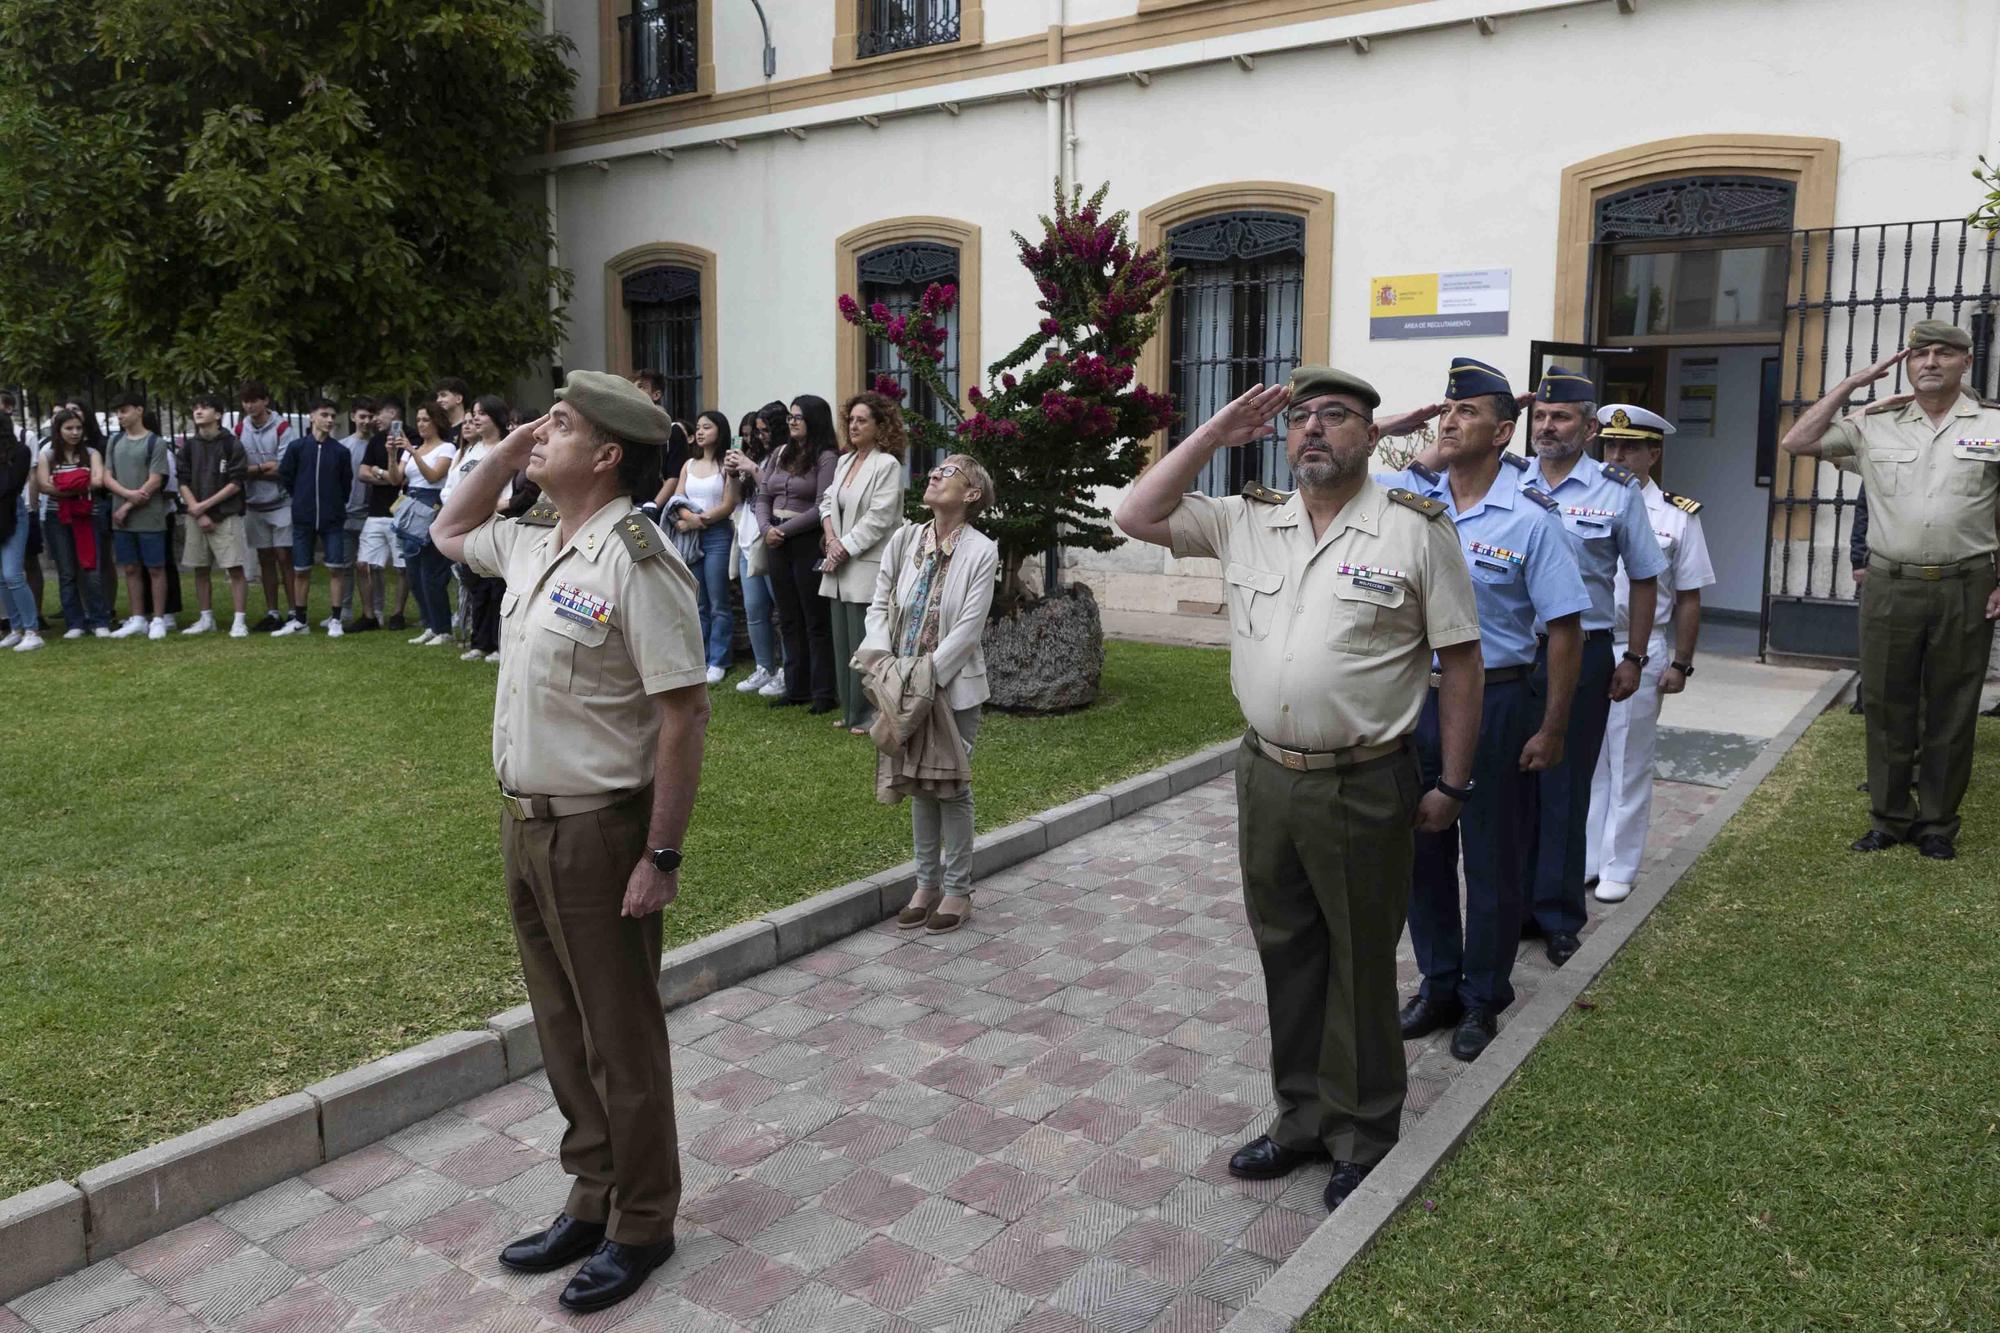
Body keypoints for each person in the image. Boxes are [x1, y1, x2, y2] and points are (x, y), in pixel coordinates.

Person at [1114, 366, 1483, 1212]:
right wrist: (1214, 434)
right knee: (1287, 952)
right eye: (1302, 418)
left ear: (1372, 434)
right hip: (1266, 774)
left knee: (1358, 959)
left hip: (1363, 780)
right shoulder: (1250, 519)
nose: (1314, 429)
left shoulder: (1414, 529)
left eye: (1338, 416)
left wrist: (1453, 783)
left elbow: (1462, 663)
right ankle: (1302, 1118)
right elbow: (1135, 514)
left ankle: (1363, 1131)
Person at [431, 370, 707, 1315]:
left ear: (607, 455)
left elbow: (683, 713)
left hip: (601, 831)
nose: (534, 433)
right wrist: (504, 455)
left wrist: (660, 855)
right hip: (527, 825)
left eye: (557, 425)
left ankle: (643, 1222)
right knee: (562, 1026)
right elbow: (447, 530)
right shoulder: (537, 543)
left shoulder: (639, 558)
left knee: (619, 1038)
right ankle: (592, 1196)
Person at [1377, 359, 1588, 1061]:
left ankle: (1481, 996)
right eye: (1447, 409)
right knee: (1420, 849)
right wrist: (1411, 429)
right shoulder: (1412, 501)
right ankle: (1437, 982)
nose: (1450, 419)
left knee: (1492, 856)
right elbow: (1343, 477)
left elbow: (1562, 629)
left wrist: (1553, 725)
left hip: (1499, 698)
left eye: (1466, 412)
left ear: (1502, 431)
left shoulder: (1532, 520)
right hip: (1420, 700)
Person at [1780, 319, 2000, 860]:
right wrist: (1850, 386)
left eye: (1944, 354)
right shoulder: (1873, 425)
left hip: (1966, 583)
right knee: (1885, 701)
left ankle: (1936, 825)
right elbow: (1797, 441)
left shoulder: (1993, 425)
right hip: (1890, 585)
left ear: (1964, 362)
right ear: (1906, 363)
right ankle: (1889, 817)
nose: (1930, 362)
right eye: (1920, 353)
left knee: (1953, 706)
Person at [1517, 367, 1665, 965]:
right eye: (1541, 417)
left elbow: (1647, 577)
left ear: (1588, 425)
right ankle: (1514, 902)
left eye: (1561, 417)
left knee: (1567, 785)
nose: (1548, 427)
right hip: (1507, 654)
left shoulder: (1615, 489)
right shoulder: (1505, 479)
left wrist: (1634, 657)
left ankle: (1556, 914)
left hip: (1583, 651)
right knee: (1506, 786)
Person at [1582, 405, 1715, 903]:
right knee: (1587, 760)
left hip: (1640, 648)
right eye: (1611, 446)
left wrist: (1681, 662)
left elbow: (1689, 595)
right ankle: (1588, 857)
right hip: (1586, 644)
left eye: (1631, 447)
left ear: (1654, 452)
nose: (1617, 455)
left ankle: (1620, 863)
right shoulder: (1583, 500)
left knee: (1629, 760)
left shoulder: (1676, 516)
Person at [861, 454, 998, 932]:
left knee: (951, 786)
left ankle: (957, 890)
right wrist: (884, 661)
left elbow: (967, 629)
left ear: (972, 494)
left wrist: (924, 679)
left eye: (949, 473)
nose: (935, 475)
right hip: (899, 679)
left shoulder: (982, 550)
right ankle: (926, 884)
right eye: (935, 470)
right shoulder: (904, 538)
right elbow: (879, 602)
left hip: (950, 687)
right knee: (918, 784)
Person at [822, 391, 909, 733]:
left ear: (879, 426)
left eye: (862, 420)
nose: (854, 426)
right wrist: (831, 540)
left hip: (866, 562)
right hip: (839, 562)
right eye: (851, 420)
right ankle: (849, 711)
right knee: (842, 639)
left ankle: (871, 712)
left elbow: (881, 517)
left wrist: (843, 547)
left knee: (866, 641)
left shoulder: (887, 464)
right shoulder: (844, 462)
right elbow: (827, 502)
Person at [758, 395, 840, 712]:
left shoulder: (826, 457)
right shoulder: (780, 453)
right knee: (787, 616)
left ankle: (822, 692)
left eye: (799, 417)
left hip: (805, 539)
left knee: (813, 618)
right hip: (775, 539)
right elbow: (763, 495)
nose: (791, 422)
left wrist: (784, 531)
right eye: (791, 417)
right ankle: (795, 688)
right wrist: (767, 528)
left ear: (814, 421)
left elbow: (822, 504)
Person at [667, 410, 739, 683]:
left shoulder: (726, 465)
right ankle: (702, 657)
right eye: (697, 427)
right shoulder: (688, 464)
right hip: (690, 535)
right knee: (697, 601)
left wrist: (699, 521)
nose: (699, 432)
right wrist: (688, 519)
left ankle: (720, 659)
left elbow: (729, 503)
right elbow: (678, 497)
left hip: (717, 534)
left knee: (719, 600)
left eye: (706, 427)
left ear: (719, 431)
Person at [274, 399, 355, 636]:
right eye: (324, 415)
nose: (329, 420)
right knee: (300, 569)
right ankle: (300, 620)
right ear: (312, 416)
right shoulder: (297, 448)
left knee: (336, 568)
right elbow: (287, 477)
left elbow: (345, 484)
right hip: (303, 518)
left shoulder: (340, 452)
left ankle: (336, 619)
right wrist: (301, 499)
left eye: (332, 416)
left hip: (332, 519)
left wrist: (335, 505)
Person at [175, 392, 252, 637]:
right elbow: (183, 480)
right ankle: (205, 617)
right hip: (197, 516)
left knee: (235, 568)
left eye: (205, 408)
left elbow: (236, 482)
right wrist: (196, 511)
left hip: (226, 515)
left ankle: (239, 620)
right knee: (200, 567)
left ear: (218, 414)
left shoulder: (231, 444)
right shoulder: (188, 446)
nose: (198, 411)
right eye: (196, 407)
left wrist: (204, 506)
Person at [445, 395, 515, 662]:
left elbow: (508, 491)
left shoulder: (505, 449)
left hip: (494, 524)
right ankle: (479, 642)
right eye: (473, 413)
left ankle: (498, 645)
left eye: (482, 413)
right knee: (476, 588)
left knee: (496, 587)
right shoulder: (471, 450)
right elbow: (453, 487)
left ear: (496, 417)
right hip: (467, 527)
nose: (475, 417)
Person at [37, 408, 112, 637]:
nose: (75, 432)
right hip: (57, 517)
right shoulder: (48, 455)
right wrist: (79, 482)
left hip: (88, 514)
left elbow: (98, 482)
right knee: (67, 571)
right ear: (58, 431)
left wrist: (62, 484)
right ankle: (75, 623)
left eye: (78, 428)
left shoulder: (91, 453)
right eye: (69, 428)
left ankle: (99, 620)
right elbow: (43, 485)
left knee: (92, 569)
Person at [103, 392, 173, 640]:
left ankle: (158, 619)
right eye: (118, 412)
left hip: (149, 516)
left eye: (124, 410)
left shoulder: (156, 442)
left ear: (139, 410)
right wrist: (127, 495)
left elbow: (155, 480)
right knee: (130, 567)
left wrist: (128, 504)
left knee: (155, 568)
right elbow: (106, 476)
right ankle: (138, 618)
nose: (120, 416)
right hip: (123, 516)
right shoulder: (114, 441)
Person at [726, 407, 784, 695]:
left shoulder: (778, 456)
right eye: (748, 435)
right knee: (754, 610)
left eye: (759, 432)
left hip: (770, 539)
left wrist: (752, 467)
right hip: (748, 541)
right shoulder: (753, 458)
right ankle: (764, 667)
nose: (754, 438)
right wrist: (732, 474)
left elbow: (774, 491)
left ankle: (787, 669)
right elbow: (735, 498)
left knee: (782, 611)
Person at [391, 399, 459, 646]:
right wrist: (393, 453)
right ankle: (429, 623)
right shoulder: (416, 447)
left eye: (425, 420)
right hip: (410, 504)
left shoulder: (447, 449)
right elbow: (395, 477)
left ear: (436, 422)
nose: (420, 424)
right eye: (418, 420)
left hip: (431, 505)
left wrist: (412, 452)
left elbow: (433, 476)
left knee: (431, 569)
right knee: (413, 570)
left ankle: (443, 628)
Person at [234, 380, 295, 631]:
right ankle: (273, 612)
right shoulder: (240, 429)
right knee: (265, 558)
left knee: (285, 556)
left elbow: (284, 467)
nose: (250, 405)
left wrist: (253, 471)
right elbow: (236, 467)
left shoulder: (282, 427)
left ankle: (294, 610)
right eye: (246, 401)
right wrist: (262, 467)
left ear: (266, 401)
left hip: (281, 501)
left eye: (254, 400)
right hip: (254, 503)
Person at [0, 414, 41, 652]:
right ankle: (16, 628)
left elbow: (11, 486)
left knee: (13, 574)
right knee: (2, 578)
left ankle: (32, 630)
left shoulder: (21, 452)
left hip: (12, 513)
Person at [335, 397, 377, 630]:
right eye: (362, 416)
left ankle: (375, 609)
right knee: (345, 565)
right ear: (353, 417)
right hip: (346, 512)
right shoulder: (344, 446)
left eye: (370, 417)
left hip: (369, 514)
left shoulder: (378, 444)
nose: (366, 421)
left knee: (370, 566)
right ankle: (345, 609)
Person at [434, 376, 471, 443]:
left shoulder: (470, 428)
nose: (438, 400)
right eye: (437, 396)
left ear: (459, 399)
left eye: (443, 395)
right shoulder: (438, 429)